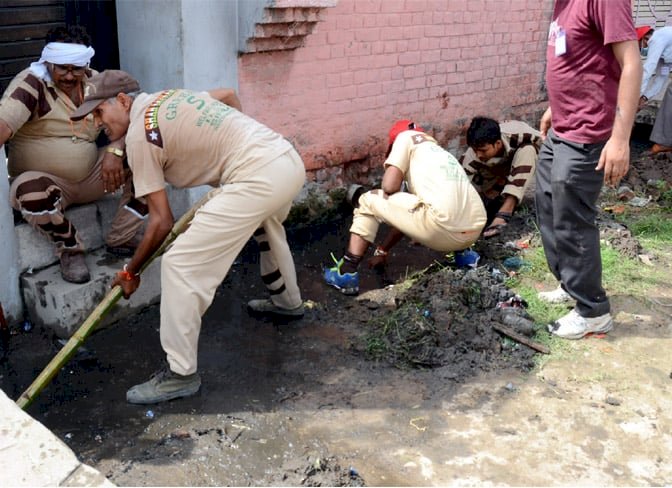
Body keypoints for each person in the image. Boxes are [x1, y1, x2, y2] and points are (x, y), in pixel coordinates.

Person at [70, 70, 306, 404]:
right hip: (284, 157)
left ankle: (180, 375)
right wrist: (237, 149)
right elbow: (225, 95)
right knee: (266, 225)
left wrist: (130, 272)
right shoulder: (169, 96)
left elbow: (161, 222)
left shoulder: (139, 138)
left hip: (256, 175)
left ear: (123, 101)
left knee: (181, 263)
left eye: (98, 112)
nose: (97, 123)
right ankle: (287, 303)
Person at [0, 26, 145, 284]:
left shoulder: (96, 81)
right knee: (30, 192)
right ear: (48, 62)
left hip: (93, 177)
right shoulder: (32, 81)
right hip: (48, 185)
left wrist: (115, 149)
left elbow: (134, 116)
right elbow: (2, 127)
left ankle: (122, 237)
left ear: (85, 64)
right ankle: (70, 249)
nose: (69, 76)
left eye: (76, 68)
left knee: (146, 153)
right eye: (62, 68)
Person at [537, 0, 641, 339]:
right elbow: (574, 56)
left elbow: (630, 62)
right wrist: (556, 106)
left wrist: (621, 139)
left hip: (588, 133)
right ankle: (571, 286)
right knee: (549, 208)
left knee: (572, 222)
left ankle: (593, 312)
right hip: (562, 128)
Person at [323, 119, 487, 295]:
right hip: (475, 229)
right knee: (448, 203)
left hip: (442, 231)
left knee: (367, 200)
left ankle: (346, 272)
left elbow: (389, 187)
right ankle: (465, 256)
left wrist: (393, 174)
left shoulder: (405, 138)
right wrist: (383, 250)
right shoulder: (439, 153)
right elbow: (405, 214)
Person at [460, 117, 542, 238]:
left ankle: (505, 211)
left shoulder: (522, 134)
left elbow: (548, 148)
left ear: (497, 144)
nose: (478, 154)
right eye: (475, 150)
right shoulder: (471, 156)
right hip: (490, 181)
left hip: (514, 168)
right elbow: (456, 184)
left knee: (529, 150)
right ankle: (491, 201)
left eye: (483, 150)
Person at [638, 25, 672, 110]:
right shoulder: (665, 57)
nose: (640, 49)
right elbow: (661, 77)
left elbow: (648, 69)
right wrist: (645, 97)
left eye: (639, 46)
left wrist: (635, 97)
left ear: (645, 39)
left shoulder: (655, 39)